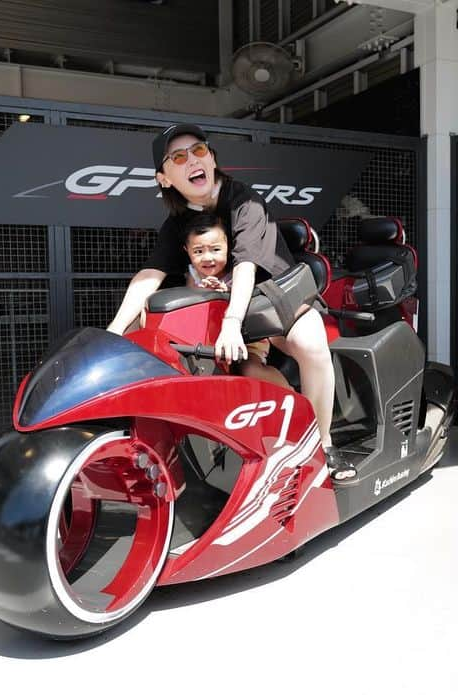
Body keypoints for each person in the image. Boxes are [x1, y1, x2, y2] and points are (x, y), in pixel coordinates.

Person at [106, 123, 356, 483]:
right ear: (164, 178)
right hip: (234, 313)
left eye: (199, 151)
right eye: (179, 157)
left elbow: (246, 267)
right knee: (246, 373)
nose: (193, 160)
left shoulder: (244, 200)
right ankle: (282, 436)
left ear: (212, 158)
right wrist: (114, 331)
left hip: (279, 298)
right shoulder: (178, 222)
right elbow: (150, 275)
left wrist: (231, 322)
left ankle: (323, 445)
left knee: (310, 343)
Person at [181, 212, 289, 390]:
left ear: (229, 246)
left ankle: (291, 397)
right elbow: (189, 299)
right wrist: (203, 290)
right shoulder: (193, 273)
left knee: (251, 370)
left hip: (248, 336)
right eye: (198, 251)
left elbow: (249, 298)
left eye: (215, 250)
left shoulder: (239, 272)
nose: (207, 258)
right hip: (207, 338)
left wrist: (227, 293)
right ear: (187, 250)